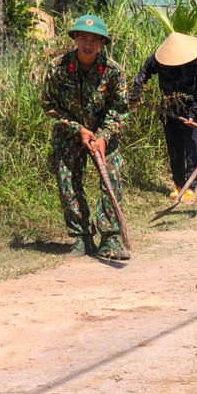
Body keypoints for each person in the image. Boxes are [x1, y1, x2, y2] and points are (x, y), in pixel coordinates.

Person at [41, 14, 130, 260]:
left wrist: (102, 136)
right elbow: (49, 104)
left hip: (104, 134)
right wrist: (76, 128)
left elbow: (120, 109)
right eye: (83, 38)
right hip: (70, 134)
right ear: (75, 39)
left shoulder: (112, 71)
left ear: (102, 43)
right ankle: (82, 238)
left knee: (111, 179)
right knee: (68, 181)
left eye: (94, 39)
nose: (88, 44)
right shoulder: (58, 67)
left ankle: (110, 239)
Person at [130, 32, 197, 205]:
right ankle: (179, 185)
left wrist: (194, 115)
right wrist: (136, 92)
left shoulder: (196, 62)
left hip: (192, 109)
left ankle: (191, 188)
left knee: (193, 149)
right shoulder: (160, 59)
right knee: (174, 149)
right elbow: (144, 72)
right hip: (169, 108)